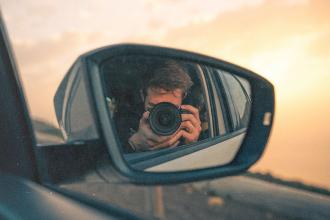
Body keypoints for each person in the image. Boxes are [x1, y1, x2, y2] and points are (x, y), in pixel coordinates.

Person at [113, 59, 202, 152]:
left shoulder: (187, 123)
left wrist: (192, 144)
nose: (162, 116)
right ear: (142, 95)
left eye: (170, 108)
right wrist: (134, 143)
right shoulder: (124, 119)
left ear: (183, 97)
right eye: (153, 107)